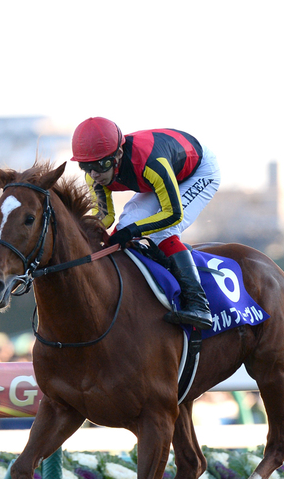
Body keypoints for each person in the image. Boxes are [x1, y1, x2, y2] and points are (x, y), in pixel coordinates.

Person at [71, 117, 220, 330]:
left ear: (118, 155)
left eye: (101, 165)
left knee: (164, 231)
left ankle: (199, 304)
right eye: (85, 166)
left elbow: (173, 214)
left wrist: (134, 231)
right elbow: (105, 217)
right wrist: (83, 232)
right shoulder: (94, 176)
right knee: (124, 224)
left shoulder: (151, 164)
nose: (94, 174)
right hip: (168, 169)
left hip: (198, 170)